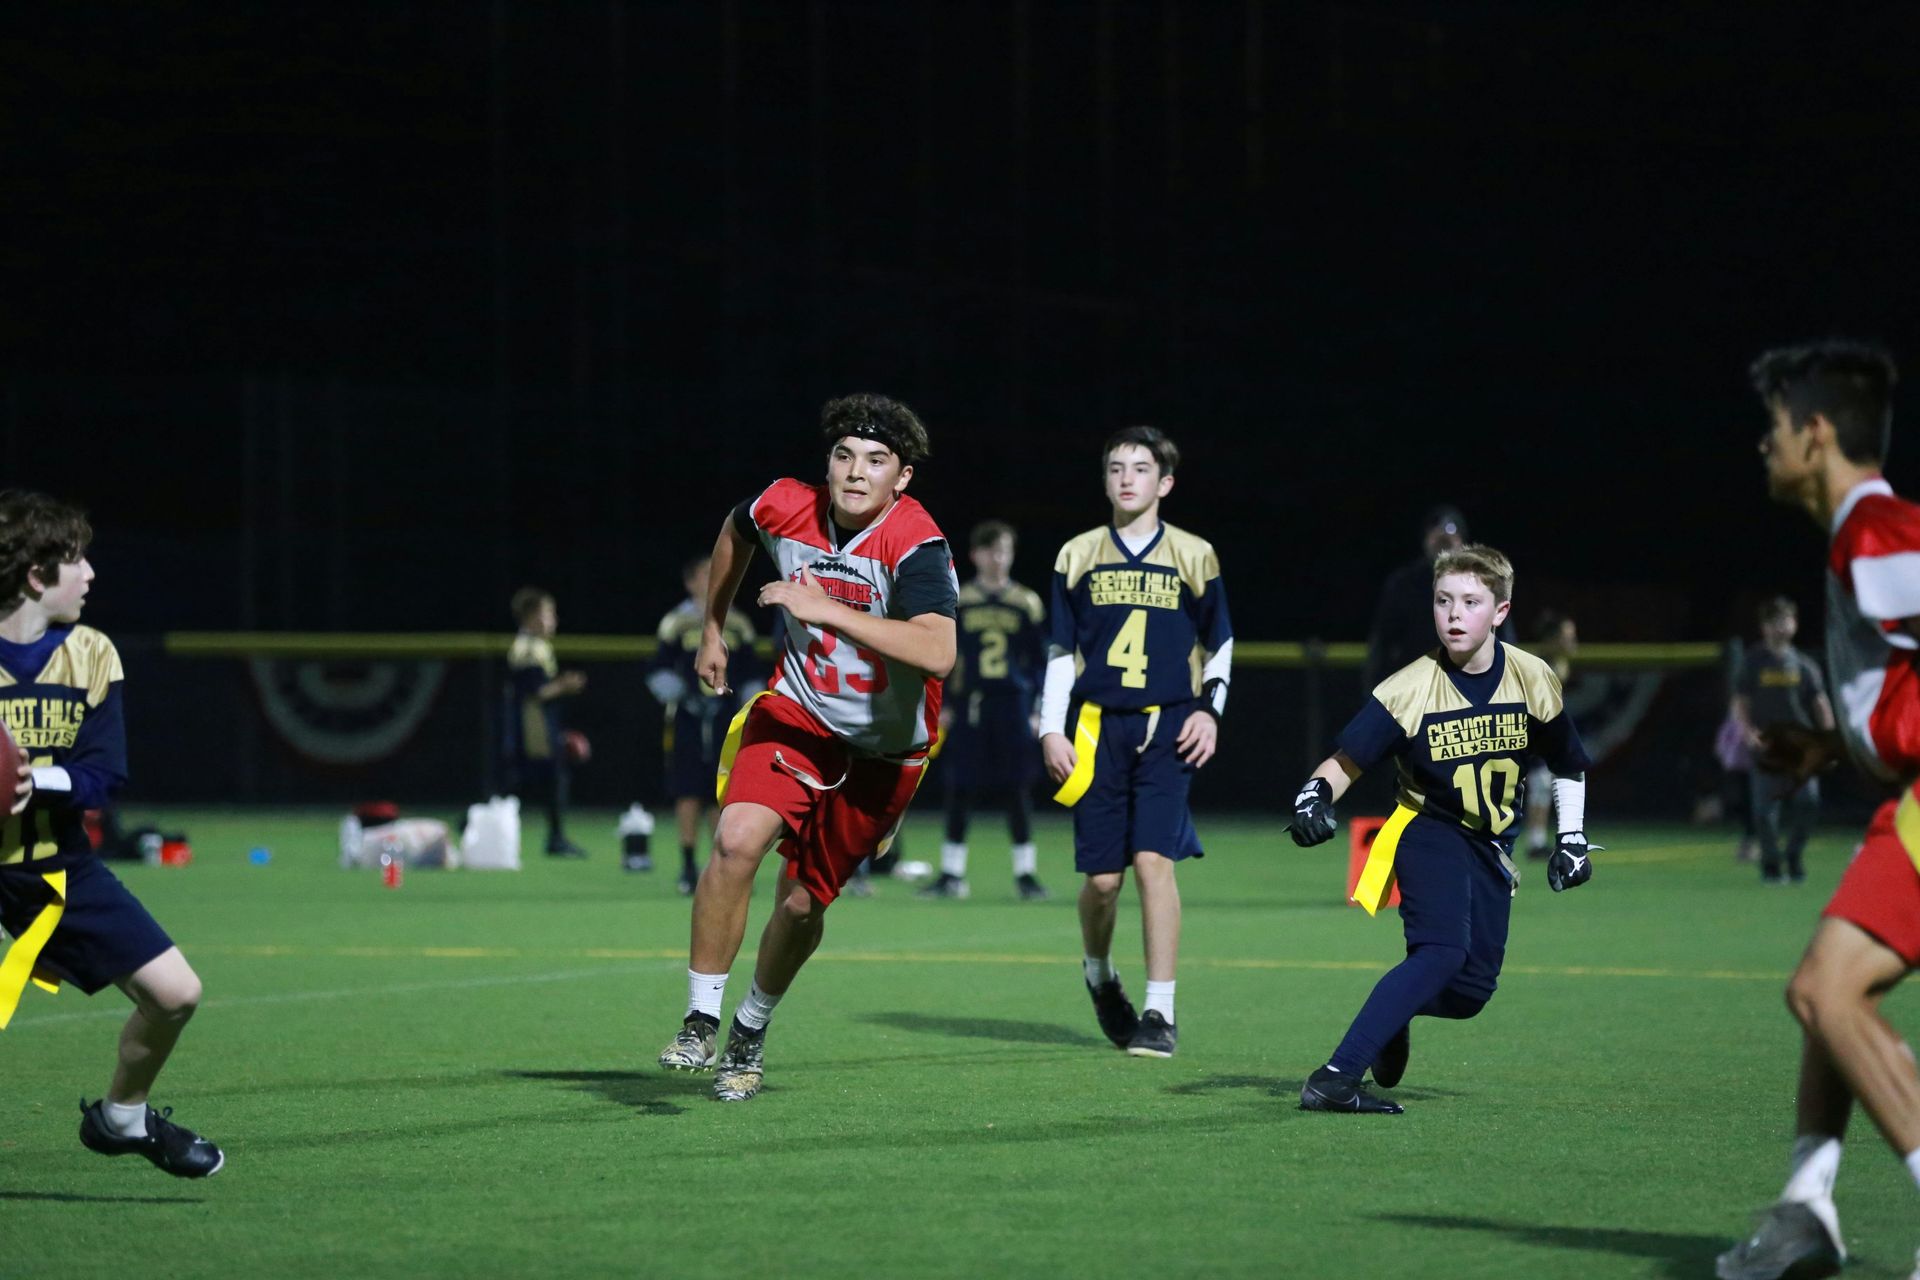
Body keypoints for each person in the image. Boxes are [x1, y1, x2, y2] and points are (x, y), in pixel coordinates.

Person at [656, 393, 957, 1102]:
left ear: (901, 478)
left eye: (876, 461)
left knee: (798, 906)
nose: (856, 473)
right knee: (735, 840)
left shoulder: (916, 543)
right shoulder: (786, 505)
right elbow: (735, 532)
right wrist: (711, 627)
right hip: (799, 714)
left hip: (886, 751)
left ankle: (750, 1029)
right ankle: (701, 1016)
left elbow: (937, 652)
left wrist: (828, 609)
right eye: (844, 456)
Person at [1716, 341, 1920, 1280]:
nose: (1765, 446)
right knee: (1829, 990)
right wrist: (1833, 748)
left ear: (1817, 430)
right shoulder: (1859, 537)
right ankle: (1807, 1208)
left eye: (1774, 428)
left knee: (1825, 992)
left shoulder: (1875, 528)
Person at [1289, 544, 1596, 1114]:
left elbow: (1567, 761)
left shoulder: (1533, 677)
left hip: (1490, 844)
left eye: (1471, 602)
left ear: (1501, 612)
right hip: (1427, 828)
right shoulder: (1410, 687)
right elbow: (1346, 760)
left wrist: (1571, 838)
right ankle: (1333, 1077)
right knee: (1440, 952)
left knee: (1471, 993)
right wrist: (1313, 796)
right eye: (1443, 601)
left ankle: (1390, 1015)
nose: (1454, 614)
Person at [0, 491, 222, 1177]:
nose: (91, 573)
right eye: (75, 560)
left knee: (176, 993)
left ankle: (122, 1116)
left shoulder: (93, 654)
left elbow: (104, 774)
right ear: (37, 574)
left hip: (56, 869)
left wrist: (39, 782)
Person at [1039, 426, 1231, 1059]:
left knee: (1153, 861)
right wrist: (1050, 726)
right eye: (1116, 468)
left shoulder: (1194, 554)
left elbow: (1220, 640)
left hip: (1168, 724)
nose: (1127, 478)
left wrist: (1210, 711)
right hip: (1097, 729)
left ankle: (1160, 1011)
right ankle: (1099, 977)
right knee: (1101, 883)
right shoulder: (1077, 554)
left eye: (1141, 468)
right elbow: (1061, 650)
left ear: (1165, 483)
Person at [920, 520, 1049, 902]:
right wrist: (943, 705)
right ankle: (951, 873)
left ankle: (1026, 873)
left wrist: (1039, 707)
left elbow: (1040, 661)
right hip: (970, 706)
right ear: (975, 555)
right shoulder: (960, 600)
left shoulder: (1026, 601)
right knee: (959, 786)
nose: (998, 559)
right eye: (991, 550)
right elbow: (943, 656)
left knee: (1017, 788)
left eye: (1004, 551)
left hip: (1012, 704)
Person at [645, 555, 759, 892]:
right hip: (689, 716)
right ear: (690, 582)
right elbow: (657, 669)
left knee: (723, 790)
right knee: (688, 788)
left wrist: (748, 706)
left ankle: (722, 862)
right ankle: (687, 864)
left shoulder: (737, 622)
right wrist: (681, 695)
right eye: (705, 575)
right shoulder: (676, 623)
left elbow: (751, 672)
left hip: (726, 717)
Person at [1729, 596, 1835, 886]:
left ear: (1795, 624)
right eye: (1774, 621)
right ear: (1764, 627)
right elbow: (1740, 702)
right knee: (1765, 813)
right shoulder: (1753, 662)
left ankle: (1794, 855)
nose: (1781, 626)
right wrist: (1748, 732)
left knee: (1808, 802)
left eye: (1786, 620)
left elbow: (1820, 703)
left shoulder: (1804, 665)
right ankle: (1771, 865)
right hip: (1767, 747)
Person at [504, 587, 588, 857]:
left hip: (538, 721)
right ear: (531, 617)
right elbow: (535, 692)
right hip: (533, 724)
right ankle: (555, 838)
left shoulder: (536, 645)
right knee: (542, 779)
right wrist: (564, 684)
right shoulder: (528, 648)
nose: (553, 619)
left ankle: (555, 836)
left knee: (537, 780)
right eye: (547, 613)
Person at [1362, 505, 1470, 691]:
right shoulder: (1403, 584)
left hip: (1467, 692)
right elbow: (1382, 645)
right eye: (1436, 535)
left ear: (1462, 542)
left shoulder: (1481, 583)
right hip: (1415, 692)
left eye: (1449, 535)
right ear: (1425, 540)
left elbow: (1503, 643)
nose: (1442, 541)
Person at [1522, 609, 1579, 861]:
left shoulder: (1560, 664)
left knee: (1542, 785)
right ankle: (1533, 841)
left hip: (1543, 730)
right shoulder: (1539, 665)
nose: (1571, 641)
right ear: (1552, 638)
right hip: (1526, 730)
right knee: (1538, 785)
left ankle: (1537, 841)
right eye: (1567, 636)